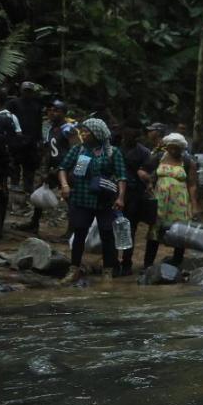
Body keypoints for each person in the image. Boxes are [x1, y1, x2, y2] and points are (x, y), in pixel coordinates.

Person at [58, 118, 127, 283]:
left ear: (97, 134)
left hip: (105, 201)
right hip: (81, 199)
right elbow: (63, 168)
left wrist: (121, 197)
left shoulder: (112, 152)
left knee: (107, 234)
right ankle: (74, 269)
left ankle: (108, 271)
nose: (83, 134)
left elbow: (121, 176)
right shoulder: (78, 150)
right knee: (80, 231)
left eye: (86, 131)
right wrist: (65, 185)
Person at [17, 100, 79, 234]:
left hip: (67, 170)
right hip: (53, 169)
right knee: (39, 192)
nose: (52, 113)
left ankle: (72, 231)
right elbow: (47, 151)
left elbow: (76, 150)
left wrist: (70, 170)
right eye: (50, 110)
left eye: (56, 110)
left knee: (70, 199)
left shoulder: (69, 129)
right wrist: (44, 170)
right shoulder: (50, 128)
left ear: (63, 113)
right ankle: (34, 223)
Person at [144, 133, 199, 269]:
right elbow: (144, 172)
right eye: (171, 148)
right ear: (167, 147)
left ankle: (177, 262)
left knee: (180, 231)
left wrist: (194, 205)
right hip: (160, 200)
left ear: (182, 148)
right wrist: (149, 184)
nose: (174, 151)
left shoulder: (187, 162)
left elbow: (192, 184)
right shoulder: (158, 158)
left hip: (180, 201)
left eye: (177, 148)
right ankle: (148, 264)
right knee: (155, 230)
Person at [119, 117, 152, 275]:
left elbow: (148, 173)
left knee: (130, 228)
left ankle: (126, 262)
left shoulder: (144, 152)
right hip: (114, 192)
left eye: (135, 132)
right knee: (112, 228)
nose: (132, 135)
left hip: (133, 195)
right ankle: (112, 262)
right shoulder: (114, 148)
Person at [7, 82, 43, 196]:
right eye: (25, 90)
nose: (27, 93)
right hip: (16, 140)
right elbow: (7, 119)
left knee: (30, 167)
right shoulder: (13, 103)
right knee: (15, 166)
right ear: (21, 91)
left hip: (31, 141)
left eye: (29, 91)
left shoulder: (36, 105)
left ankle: (28, 189)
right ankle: (15, 187)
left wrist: (39, 139)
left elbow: (39, 123)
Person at [0, 87, 18, 237]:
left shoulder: (5, 117)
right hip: (2, 165)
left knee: (0, 195)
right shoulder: (7, 118)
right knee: (0, 194)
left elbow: (13, 142)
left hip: (0, 164)